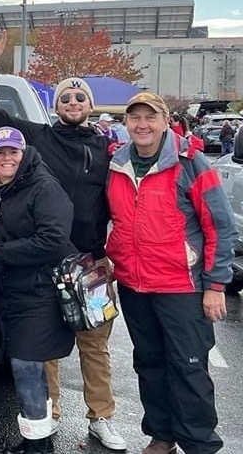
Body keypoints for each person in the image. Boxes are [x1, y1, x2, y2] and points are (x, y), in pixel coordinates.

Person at [0, 30, 126, 451]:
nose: (72, 103)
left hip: (91, 262)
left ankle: (101, 417)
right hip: (44, 265)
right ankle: (51, 413)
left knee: (94, 345)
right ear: (55, 106)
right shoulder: (39, 138)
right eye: (65, 98)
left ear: (90, 106)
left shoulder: (107, 149)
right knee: (46, 350)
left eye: (79, 98)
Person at [106, 92, 234, 454]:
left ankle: (199, 444)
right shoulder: (117, 164)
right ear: (127, 123)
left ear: (165, 121)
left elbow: (219, 226)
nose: (142, 125)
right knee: (149, 364)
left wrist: (215, 286)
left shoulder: (191, 163)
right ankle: (162, 436)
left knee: (188, 367)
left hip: (182, 287)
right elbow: (116, 220)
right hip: (134, 285)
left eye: (151, 117)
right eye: (135, 118)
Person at [0, 127, 76, 454]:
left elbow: (53, 240)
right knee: (30, 369)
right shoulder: (1, 191)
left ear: (24, 153)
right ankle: (39, 439)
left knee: (25, 366)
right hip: (11, 293)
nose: (7, 158)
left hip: (41, 294)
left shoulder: (44, 187)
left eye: (12, 152)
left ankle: (36, 447)